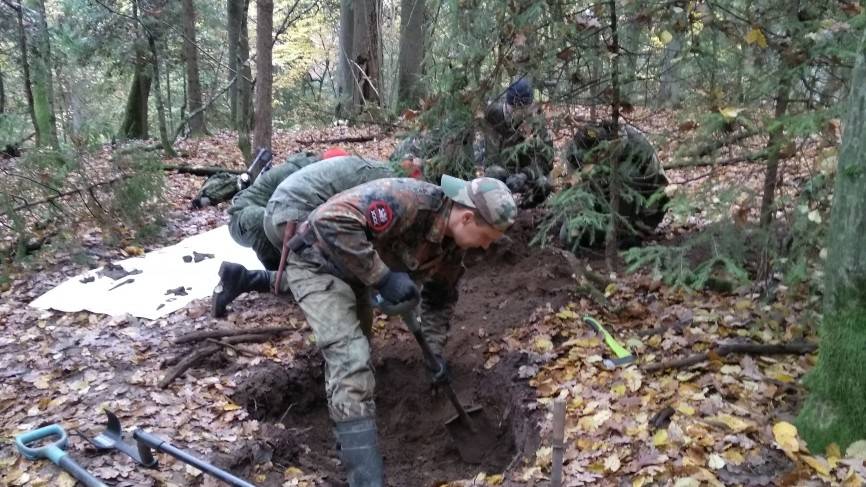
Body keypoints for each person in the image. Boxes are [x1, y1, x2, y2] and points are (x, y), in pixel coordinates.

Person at [278, 175, 516, 486]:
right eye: (486, 237)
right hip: (316, 262)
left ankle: (349, 437)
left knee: (355, 359)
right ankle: (366, 481)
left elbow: (439, 299)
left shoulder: (453, 246)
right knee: (350, 358)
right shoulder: (408, 200)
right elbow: (329, 219)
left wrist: (435, 354)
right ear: (468, 217)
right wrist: (383, 277)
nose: (486, 246)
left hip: (355, 276)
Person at [212, 153, 425, 318]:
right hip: (248, 216)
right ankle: (266, 278)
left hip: (274, 212)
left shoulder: (326, 171)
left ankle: (248, 278)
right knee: (316, 270)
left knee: (321, 262)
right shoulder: (303, 173)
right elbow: (293, 208)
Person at [226, 148, 348, 270]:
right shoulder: (296, 173)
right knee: (262, 218)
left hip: (272, 216)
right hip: (241, 221)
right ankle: (274, 275)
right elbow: (296, 211)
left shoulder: (318, 173)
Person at [559, 122, 669, 248]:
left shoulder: (636, 144)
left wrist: (640, 230)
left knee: (626, 172)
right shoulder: (575, 153)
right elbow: (575, 193)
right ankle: (604, 232)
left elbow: (658, 190)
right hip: (598, 209)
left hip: (635, 210)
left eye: (595, 156)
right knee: (567, 237)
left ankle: (624, 232)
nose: (590, 161)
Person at [479, 77, 554, 207]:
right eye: (512, 108)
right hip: (501, 173)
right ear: (507, 104)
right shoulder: (493, 115)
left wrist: (525, 175)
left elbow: (546, 160)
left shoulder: (537, 120)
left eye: (522, 109)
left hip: (527, 176)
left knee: (544, 184)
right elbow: (489, 157)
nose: (516, 113)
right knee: (493, 173)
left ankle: (527, 210)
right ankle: (499, 210)